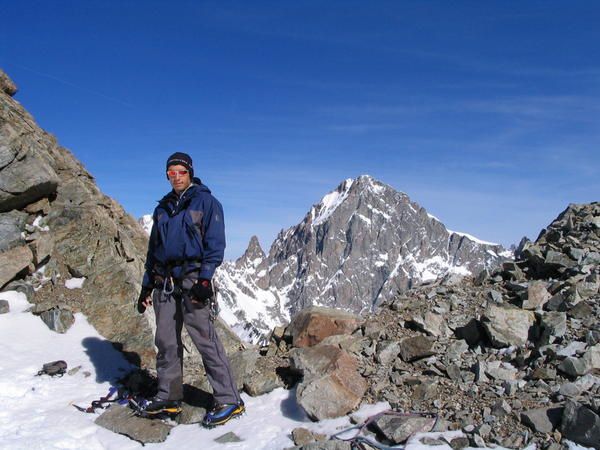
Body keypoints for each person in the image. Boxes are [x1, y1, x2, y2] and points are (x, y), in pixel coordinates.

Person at [136, 152, 244, 427]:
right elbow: (154, 251)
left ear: (190, 173)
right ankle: (169, 397)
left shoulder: (206, 202)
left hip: (194, 279)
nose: (176, 177)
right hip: (165, 281)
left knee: (204, 339)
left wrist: (205, 280)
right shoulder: (163, 208)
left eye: (180, 172)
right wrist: (147, 285)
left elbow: (215, 244)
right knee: (166, 342)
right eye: (171, 173)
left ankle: (229, 399)